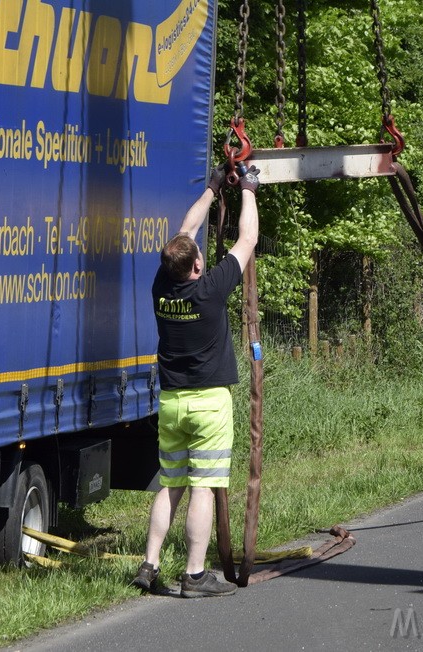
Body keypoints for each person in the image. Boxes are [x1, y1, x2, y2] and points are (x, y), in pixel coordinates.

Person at [131, 162, 260, 598]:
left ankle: (149, 565)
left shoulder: (161, 286)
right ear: (197, 266)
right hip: (208, 404)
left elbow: (186, 230)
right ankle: (194, 574)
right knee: (203, 486)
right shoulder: (209, 289)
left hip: (170, 402)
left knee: (171, 485)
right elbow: (248, 239)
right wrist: (248, 189)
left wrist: (210, 189)